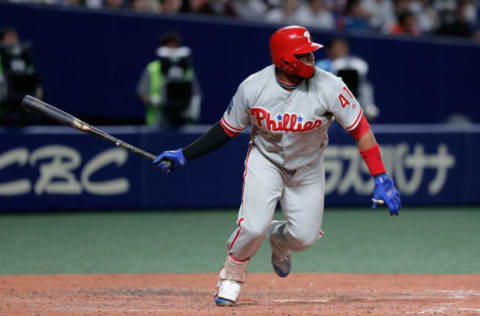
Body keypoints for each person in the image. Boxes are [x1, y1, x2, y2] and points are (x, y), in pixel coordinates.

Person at [152, 25, 401, 306]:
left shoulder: (330, 86)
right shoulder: (253, 87)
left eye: (311, 54)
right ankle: (232, 276)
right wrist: (186, 154)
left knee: (304, 238)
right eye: (304, 55)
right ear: (284, 58)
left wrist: (381, 176)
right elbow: (226, 129)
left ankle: (279, 242)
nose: (312, 59)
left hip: (307, 168)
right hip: (266, 161)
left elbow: (361, 130)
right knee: (253, 227)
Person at [136, 31, 201, 127]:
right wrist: (154, 101)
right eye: (169, 47)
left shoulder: (188, 70)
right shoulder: (152, 68)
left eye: (174, 47)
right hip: (157, 123)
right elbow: (141, 93)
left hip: (182, 122)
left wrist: (193, 109)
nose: (172, 51)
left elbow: (196, 94)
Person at [316, 37, 379, 121]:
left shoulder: (356, 65)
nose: (340, 50)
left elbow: (362, 88)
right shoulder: (321, 65)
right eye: (337, 47)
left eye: (343, 47)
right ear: (329, 50)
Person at [0, 26, 43, 126]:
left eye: (14, 38)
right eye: (9, 39)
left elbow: (35, 83)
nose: (13, 42)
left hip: (23, 114)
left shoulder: (24, 59)